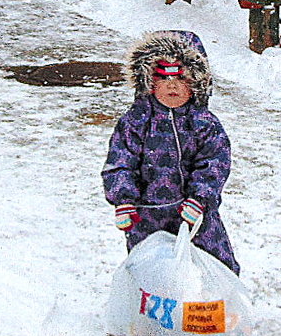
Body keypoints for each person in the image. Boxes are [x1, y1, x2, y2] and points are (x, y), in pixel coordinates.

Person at [101, 30, 240, 274]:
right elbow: (120, 162)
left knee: (214, 264)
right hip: (146, 216)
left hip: (195, 214)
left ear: (197, 82)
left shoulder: (204, 123)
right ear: (148, 81)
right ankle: (150, 309)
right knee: (150, 269)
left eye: (181, 77)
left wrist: (201, 198)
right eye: (163, 77)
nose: (172, 85)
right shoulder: (135, 122)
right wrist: (123, 200)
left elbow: (215, 162)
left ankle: (216, 306)